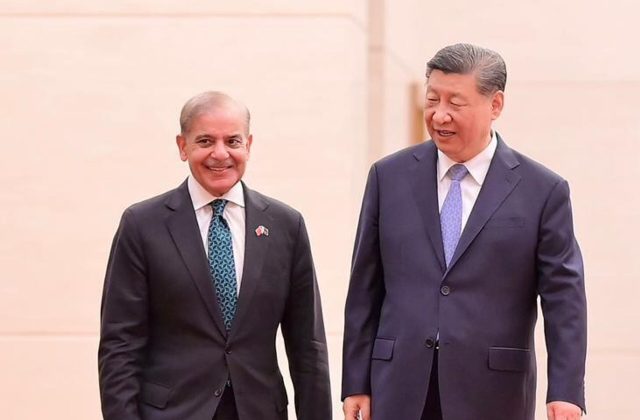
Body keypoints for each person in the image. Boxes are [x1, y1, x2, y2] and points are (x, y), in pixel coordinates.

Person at [341, 43, 586, 420]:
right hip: (399, 387)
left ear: (495, 104)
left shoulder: (543, 191)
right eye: (432, 100)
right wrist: (356, 381)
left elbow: (564, 298)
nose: (440, 115)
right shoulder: (388, 177)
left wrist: (566, 391)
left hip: (493, 392)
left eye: (455, 103)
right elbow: (364, 288)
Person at [99, 91, 331, 420]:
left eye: (232, 141)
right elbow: (120, 345)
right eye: (205, 141)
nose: (220, 154)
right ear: (183, 146)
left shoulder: (286, 225)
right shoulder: (142, 225)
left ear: (248, 145)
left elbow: (308, 346)